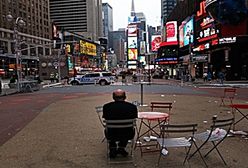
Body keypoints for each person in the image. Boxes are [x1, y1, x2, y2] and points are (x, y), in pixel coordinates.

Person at [102, 89, 138, 158]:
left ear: (113, 97)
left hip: (111, 134)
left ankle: (112, 148)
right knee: (127, 129)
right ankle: (121, 148)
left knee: (109, 129)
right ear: (125, 97)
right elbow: (134, 118)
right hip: (128, 134)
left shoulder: (106, 107)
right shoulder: (132, 107)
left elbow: (105, 118)